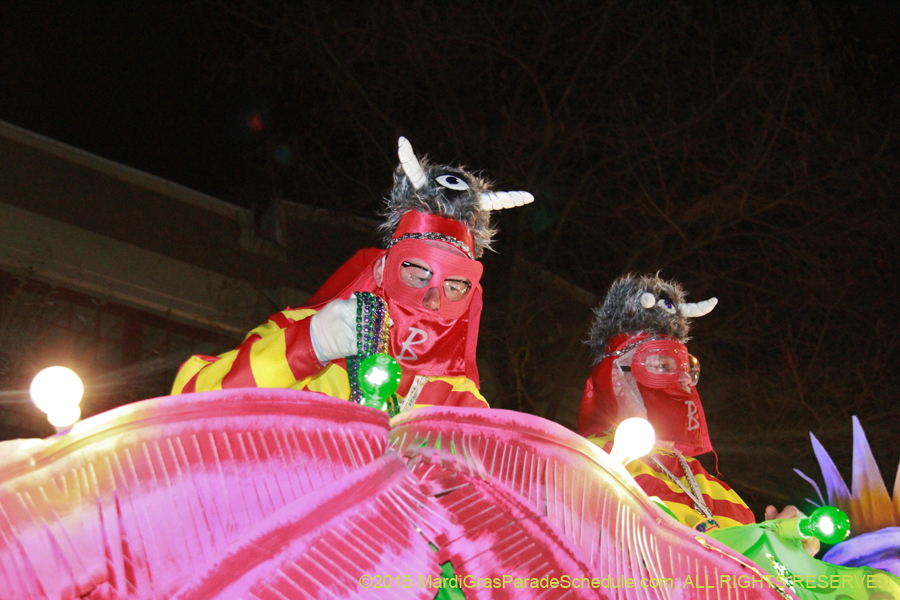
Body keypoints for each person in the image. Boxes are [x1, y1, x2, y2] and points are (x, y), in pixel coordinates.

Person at [171, 137, 533, 410]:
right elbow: (193, 403)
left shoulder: (462, 405)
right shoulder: (302, 332)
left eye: (454, 285)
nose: (432, 298)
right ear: (380, 268)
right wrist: (308, 346)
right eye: (416, 272)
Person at [578, 274, 796, 534]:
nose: (683, 378)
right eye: (661, 365)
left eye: (685, 367)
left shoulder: (722, 494)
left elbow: (743, 567)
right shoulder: (582, 461)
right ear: (615, 377)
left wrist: (783, 542)